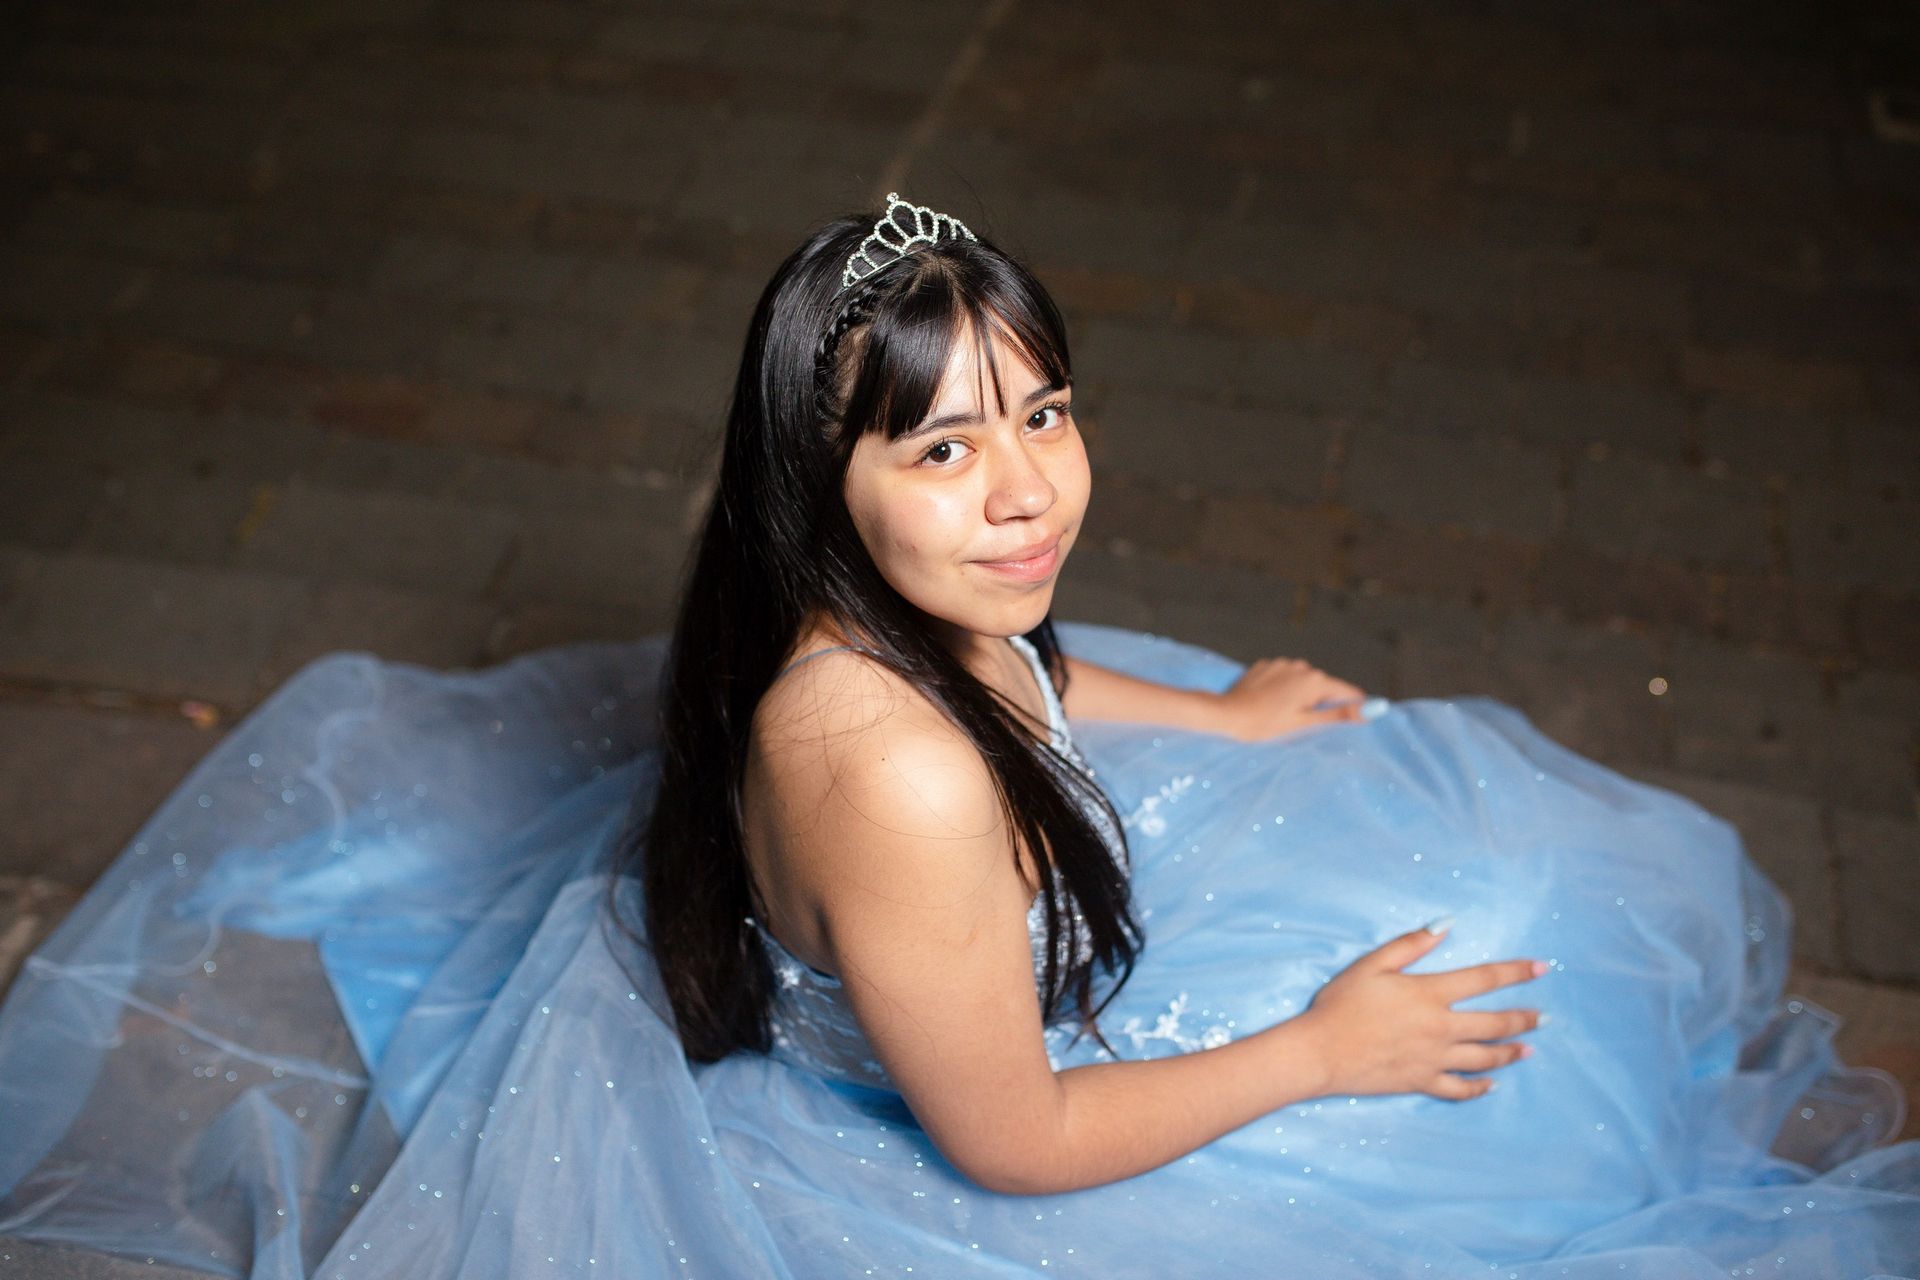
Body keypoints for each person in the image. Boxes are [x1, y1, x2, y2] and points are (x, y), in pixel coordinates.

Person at [0, 194, 1913, 1279]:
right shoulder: (894, 776)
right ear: (821, 488)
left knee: (1517, 880)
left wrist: (1216, 710)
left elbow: (1041, 684)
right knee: (1485, 1094)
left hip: (1010, 948)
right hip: (999, 1124)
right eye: (944, 445)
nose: (1031, 494)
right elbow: (1013, 1146)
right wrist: (1319, 1052)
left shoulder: (904, 617)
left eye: (1047, 410)